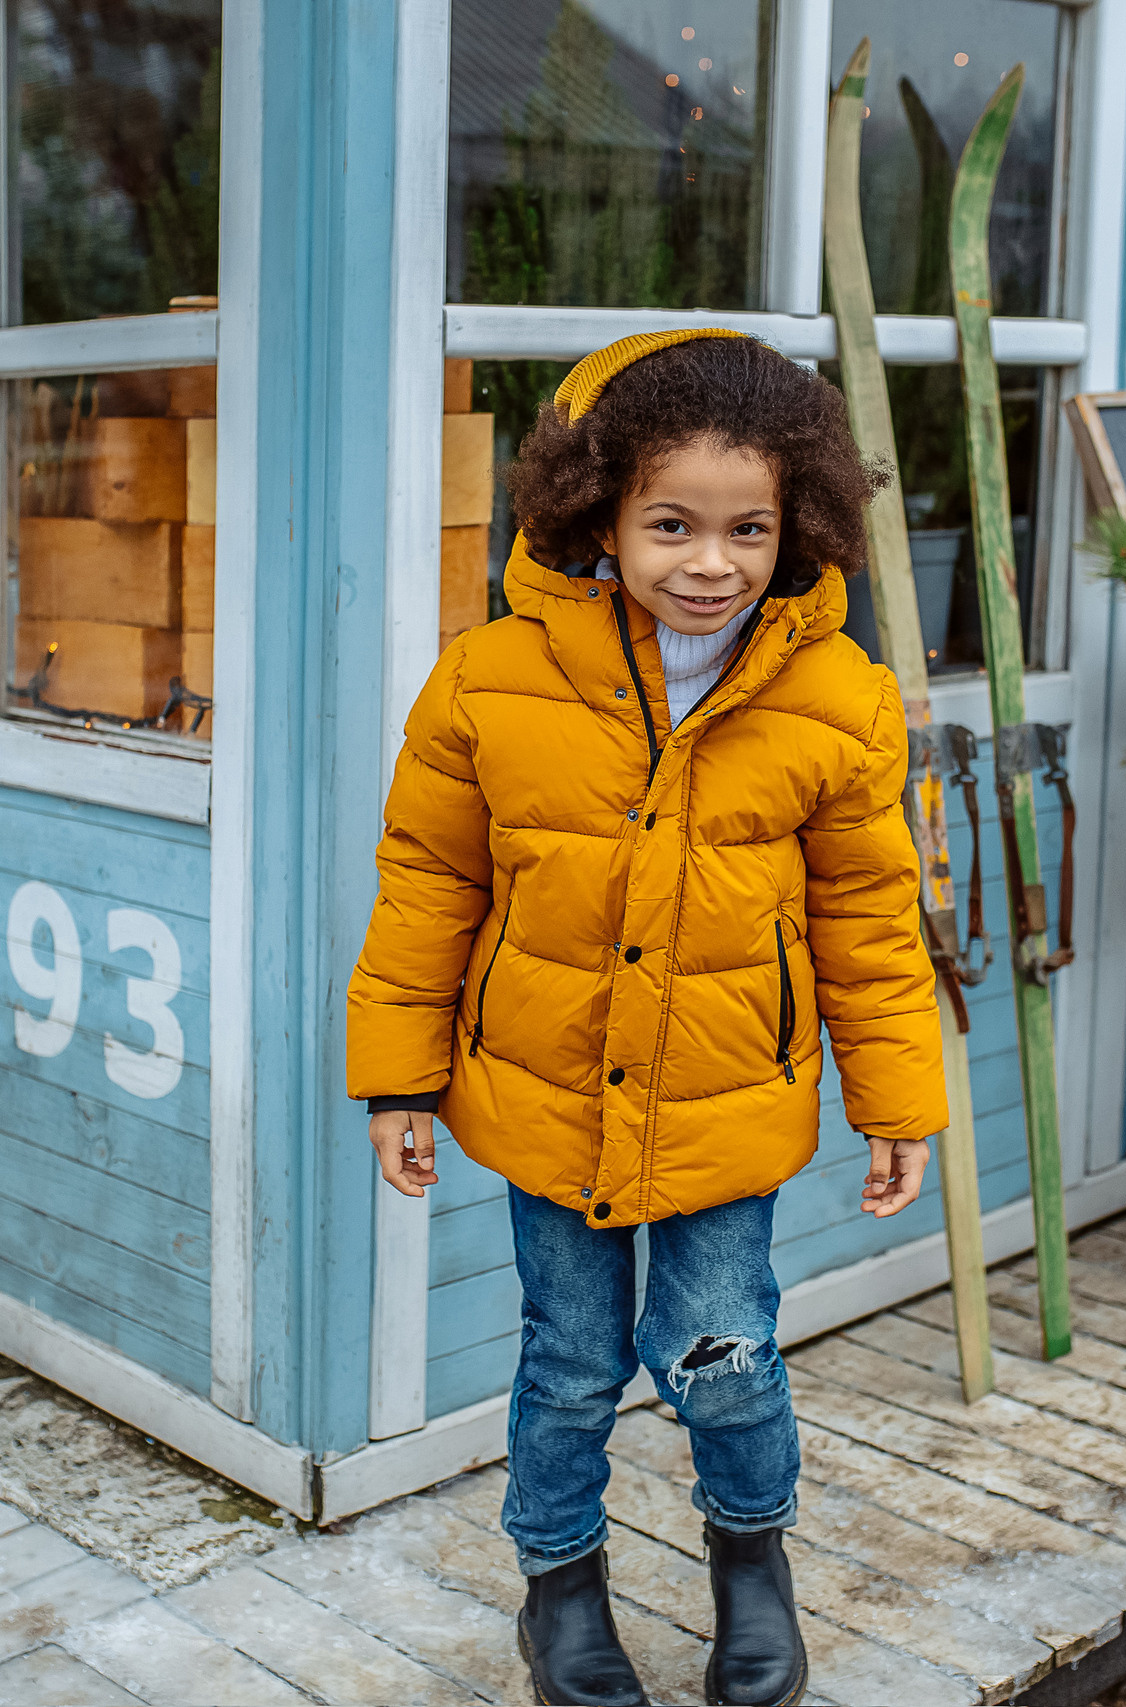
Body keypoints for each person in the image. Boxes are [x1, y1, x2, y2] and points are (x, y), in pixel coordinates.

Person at [346, 328, 949, 1707]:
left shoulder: (837, 701)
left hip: (727, 1105)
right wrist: (399, 1079)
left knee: (725, 1357)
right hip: (547, 1098)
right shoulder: (488, 680)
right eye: (672, 523)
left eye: (747, 528)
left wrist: (897, 1102)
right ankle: (559, 1587)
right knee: (567, 1363)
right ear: (599, 515)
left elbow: (868, 919)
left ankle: (754, 1567)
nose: (711, 562)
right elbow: (430, 882)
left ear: (796, 528)